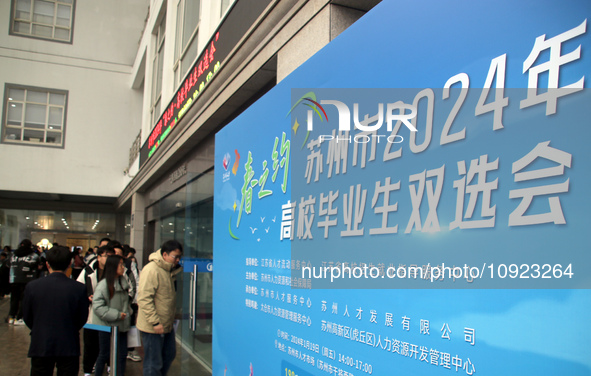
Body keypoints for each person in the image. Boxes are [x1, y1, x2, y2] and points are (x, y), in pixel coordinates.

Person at [22, 246, 89, 376]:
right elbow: (82, 317)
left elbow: (27, 316)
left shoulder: (32, 287)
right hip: (69, 342)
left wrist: (37, 327)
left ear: (47, 264)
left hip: (40, 342)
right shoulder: (78, 288)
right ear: (70, 263)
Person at [137, 240, 183, 376]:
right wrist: (155, 322)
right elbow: (144, 299)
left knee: (169, 354)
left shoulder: (169, 270)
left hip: (166, 324)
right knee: (153, 362)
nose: (178, 260)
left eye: (179, 257)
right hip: (153, 326)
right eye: (175, 257)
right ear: (164, 255)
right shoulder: (152, 270)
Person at [77, 245, 115, 376]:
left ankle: (109, 365)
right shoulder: (88, 271)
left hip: (108, 314)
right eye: (106, 256)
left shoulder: (116, 271)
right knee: (90, 343)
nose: (109, 259)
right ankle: (87, 370)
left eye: (111, 256)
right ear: (99, 257)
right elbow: (79, 287)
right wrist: (87, 296)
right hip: (91, 313)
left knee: (107, 343)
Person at [92, 255, 132, 376]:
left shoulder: (122, 281)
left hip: (121, 325)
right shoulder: (104, 284)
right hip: (107, 325)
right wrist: (117, 315)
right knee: (104, 354)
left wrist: (128, 313)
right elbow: (98, 306)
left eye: (122, 264)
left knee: (122, 355)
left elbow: (126, 302)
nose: (123, 267)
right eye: (120, 264)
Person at [8, 239, 39, 325]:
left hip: (14, 279)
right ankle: (19, 318)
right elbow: (38, 266)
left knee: (14, 299)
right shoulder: (33, 255)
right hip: (27, 280)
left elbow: (8, 265)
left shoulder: (13, 255)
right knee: (23, 299)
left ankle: (11, 316)